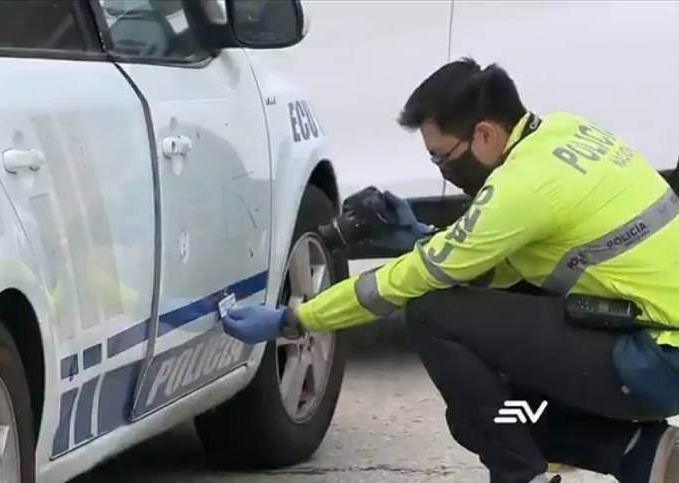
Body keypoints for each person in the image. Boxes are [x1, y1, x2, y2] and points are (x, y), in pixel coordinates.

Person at [221, 57, 679, 483]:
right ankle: (641, 451)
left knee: (431, 311)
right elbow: (498, 266)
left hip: (653, 360)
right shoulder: (567, 132)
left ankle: (522, 475)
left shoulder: (520, 188)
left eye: (441, 156)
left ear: (484, 135)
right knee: (482, 414)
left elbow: (406, 283)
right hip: (654, 340)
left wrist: (295, 319)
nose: (442, 169)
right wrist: (427, 239)